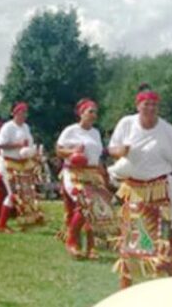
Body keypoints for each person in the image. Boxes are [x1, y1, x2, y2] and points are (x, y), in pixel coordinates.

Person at [108, 84, 172, 288]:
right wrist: (120, 151)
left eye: (154, 105)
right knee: (131, 243)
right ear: (138, 105)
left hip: (162, 193)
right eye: (146, 104)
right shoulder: (127, 123)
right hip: (134, 192)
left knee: (164, 242)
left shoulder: (167, 130)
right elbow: (112, 148)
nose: (150, 108)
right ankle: (125, 292)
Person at [55, 98, 117, 259]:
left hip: (93, 173)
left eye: (96, 112)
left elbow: (97, 157)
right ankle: (72, 241)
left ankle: (91, 247)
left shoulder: (96, 133)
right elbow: (59, 151)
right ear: (81, 113)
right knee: (85, 204)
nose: (94, 115)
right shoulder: (70, 131)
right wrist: (73, 151)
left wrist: (104, 174)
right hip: (74, 172)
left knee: (96, 209)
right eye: (90, 111)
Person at [0, 102, 45, 232]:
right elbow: (0, 145)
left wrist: (33, 152)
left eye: (25, 112)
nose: (23, 115)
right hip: (8, 163)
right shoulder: (8, 127)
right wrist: (18, 145)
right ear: (14, 113)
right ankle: (1, 224)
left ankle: (29, 219)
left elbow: (29, 144)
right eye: (20, 112)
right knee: (13, 193)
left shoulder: (26, 127)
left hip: (22, 163)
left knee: (26, 193)